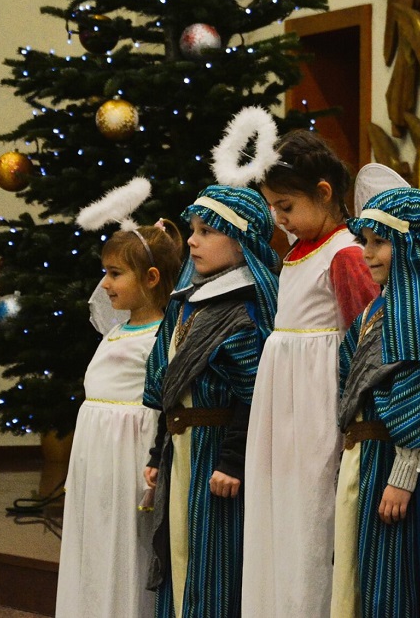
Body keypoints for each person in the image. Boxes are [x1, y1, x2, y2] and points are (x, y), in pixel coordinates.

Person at [243, 132, 380, 618]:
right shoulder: (298, 249)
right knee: (277, 512)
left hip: (316, 406)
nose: (279, 218)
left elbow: (366, 338)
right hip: (282, 406)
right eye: (272, 208)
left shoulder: (343, 253)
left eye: (286, 205)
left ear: (324, 193)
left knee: (308, 520)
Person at [143, 186, 279, 618]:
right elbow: (170, 386)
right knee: (177, 548)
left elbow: (254, 391)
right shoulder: (187, 303)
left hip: (213, 453)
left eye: (207, 232)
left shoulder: (245, 309)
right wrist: (156, 449)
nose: (193, 241)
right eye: (192, 230)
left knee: (211, 557)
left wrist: (232, 459)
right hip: (181, 450)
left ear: (242, 241)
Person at [331, 187, 420, 618]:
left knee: (391, 577)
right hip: (365, 457)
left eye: (380, 241)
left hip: (391, 459)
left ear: (413, 245)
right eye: (365, 241)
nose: (368, 254)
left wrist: (402, 475)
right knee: (361, 574)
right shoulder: (383, 306)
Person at [57, 219, 184, 618]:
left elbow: (163, 402)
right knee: (94, 540)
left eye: (115, 274)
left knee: (125, 544)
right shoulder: (117, 329)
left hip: (127, 452)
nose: (106, 284)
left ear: (151, 278)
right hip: (96, 456)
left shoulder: (164, 334)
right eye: (105, 273)